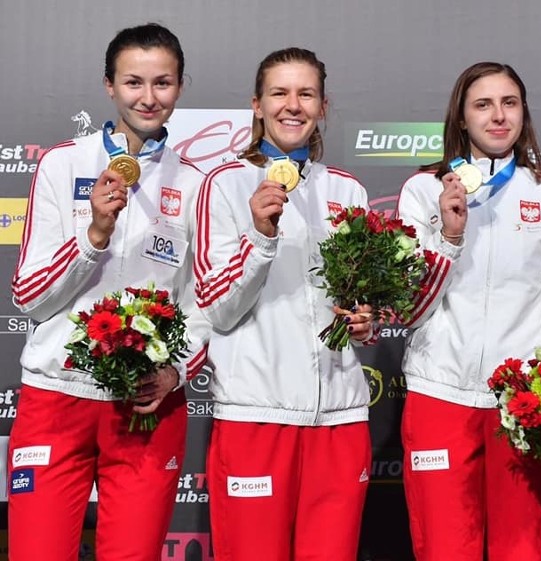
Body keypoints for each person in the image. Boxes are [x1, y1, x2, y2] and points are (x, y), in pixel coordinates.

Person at [9, 23, 208, 561]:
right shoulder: (62, 164)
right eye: (133, 83)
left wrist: (176, 371)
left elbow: (202, 308)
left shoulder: (195, 183)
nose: (148, 98)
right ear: (109, 86)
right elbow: (29, 297)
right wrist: (94, 234)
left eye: (162, 83)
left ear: (181, 88)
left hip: (146, 405)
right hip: (56, 397)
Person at [396, 62, 541, 561]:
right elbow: (410, 310)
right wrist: (449, 236)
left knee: (523, 550)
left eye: (510, 103)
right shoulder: (423, 191)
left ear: (524, 113)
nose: (498, 116)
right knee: (444, 549)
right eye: (483, 104)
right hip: (440, 394)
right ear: (460, 117)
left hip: (524, 401)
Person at [194, 47, 375, 561]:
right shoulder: (225, 185)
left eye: (306, 93)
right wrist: (260, 235)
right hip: (256, 417)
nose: (292, 105)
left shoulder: (348, 190)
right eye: (279, 93)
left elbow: (357, 308)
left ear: (322, 105)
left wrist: (363, 321)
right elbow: (219, 309)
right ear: (257, 105)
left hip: (340, 420)